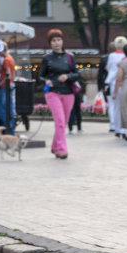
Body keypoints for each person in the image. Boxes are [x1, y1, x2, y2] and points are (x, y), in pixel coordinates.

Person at [39, 29, 81, 159]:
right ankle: (62, 150)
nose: (56, 43)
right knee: (60, 122)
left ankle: (54, 146)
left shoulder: (69, 57)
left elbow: (77, 74)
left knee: (64, 122)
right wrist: (46, 80)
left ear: (62, 41)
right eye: (53, 41)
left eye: (58, 40)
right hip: (53, 92)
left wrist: (67, 76)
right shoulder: (47, 58)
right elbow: (40, 76)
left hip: (68, 93)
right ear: (50, 43)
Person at [106, 37, 127, 137]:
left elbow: (109, 68)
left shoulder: (111, 55)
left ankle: (117, 128)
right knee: (125, 107)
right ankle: (124, 129)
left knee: (115, 107)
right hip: (125, 82)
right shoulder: (126, 55)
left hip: (114, 82)